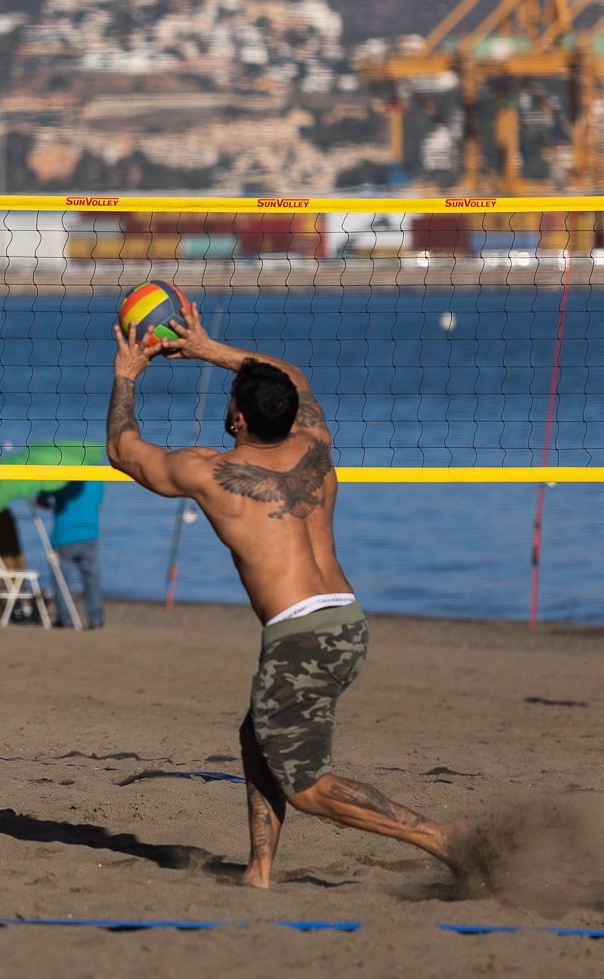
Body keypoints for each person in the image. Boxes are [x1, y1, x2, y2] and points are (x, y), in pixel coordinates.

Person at [107, 301, 478, 889]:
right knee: (257, 736)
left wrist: (127, 376)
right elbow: (295, 379)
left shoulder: (213, 472)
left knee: (309, 788)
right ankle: (259, 869)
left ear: (237, 421)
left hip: (300, 637)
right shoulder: (317, 447)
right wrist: (209, 348)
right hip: (346, 621)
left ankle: (440, 837)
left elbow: (125, 452)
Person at [36, 479, 105, 628]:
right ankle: (95, 617)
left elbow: (41, 500)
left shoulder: (60, 477)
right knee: (91, 578)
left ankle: (65, 617)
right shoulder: (97, 478)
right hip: (89, 533)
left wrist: (51, 504)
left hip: (64, 535)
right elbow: (99, 504)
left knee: (61, 579)